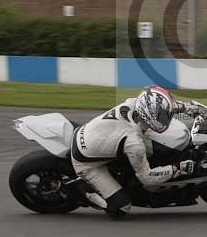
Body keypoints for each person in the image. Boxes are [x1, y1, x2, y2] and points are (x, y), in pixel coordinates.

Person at [71, 85, 196, 217]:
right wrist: (178, 168)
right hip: (87, 164)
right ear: (150, 117)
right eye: (164, 117)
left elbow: (159, 106)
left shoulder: (135, 103)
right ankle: (82, 190)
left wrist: (187, 107)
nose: (167, 118)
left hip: (93, 134)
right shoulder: (134, 142)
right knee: (121, 207)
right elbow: (146, 178)